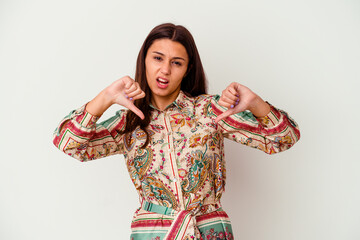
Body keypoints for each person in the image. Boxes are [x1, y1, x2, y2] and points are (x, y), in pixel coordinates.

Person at [53, 23, 300, 240]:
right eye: (158, 58)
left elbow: (283, 138)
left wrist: (256, 103)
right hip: (153, 232)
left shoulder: (210, 111)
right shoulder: (128, 123)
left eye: (177, 62)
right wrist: (105, 97)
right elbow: (67, 142)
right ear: (144, 60)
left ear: (187, 68)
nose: (165, 70)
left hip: (209, 230)